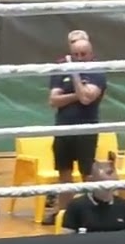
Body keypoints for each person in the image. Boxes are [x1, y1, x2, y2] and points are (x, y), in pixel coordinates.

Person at [45, 37, 107, 224]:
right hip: (63, 128)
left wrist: (74, 75)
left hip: (86, 129)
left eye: (83, 54)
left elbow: (87, 99)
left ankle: (92, 213)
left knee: (87, 173)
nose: (79, 58)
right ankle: (64, 215)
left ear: (91, 54)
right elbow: (53, 101)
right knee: (64, 173)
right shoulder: (60, 69)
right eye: (75, 55)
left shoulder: (97, 72)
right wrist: (77, 94)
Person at [61, 157, 125, 233]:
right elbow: (67, 238)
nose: (111, 176)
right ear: (90, 179)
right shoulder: (76, 206)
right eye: (108, 173)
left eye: (112, 172)